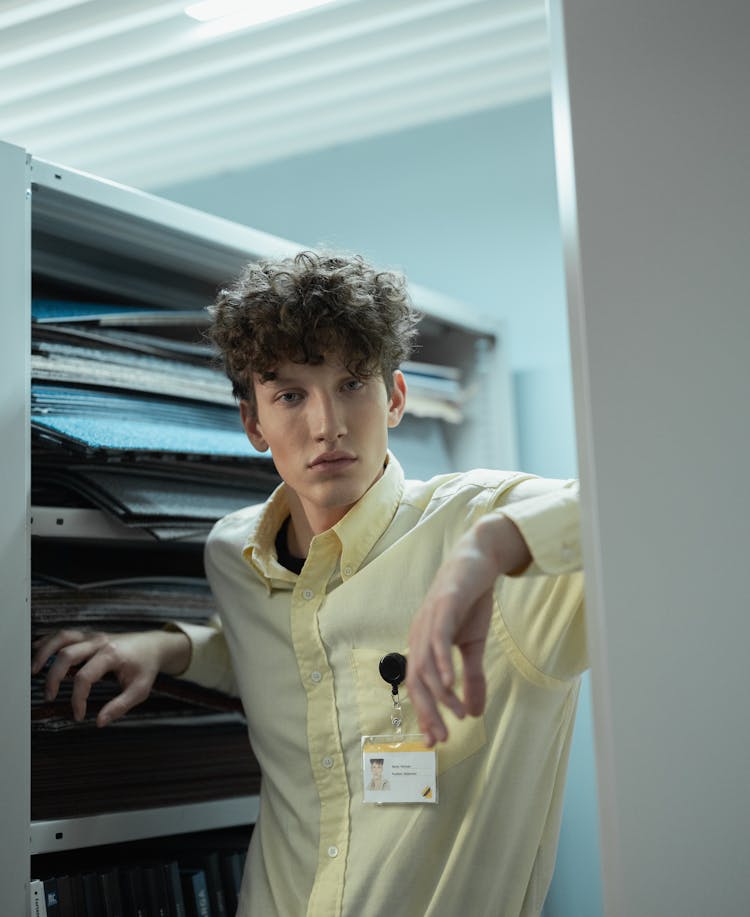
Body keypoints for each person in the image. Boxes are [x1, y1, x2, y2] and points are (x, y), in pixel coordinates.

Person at [32, 250, 585, 917]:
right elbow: (294, 656)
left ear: (397, 395)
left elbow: (665, 499)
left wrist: (492, 548)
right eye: (290, 394)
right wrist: (171, 646)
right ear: (252, 422)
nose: (327, 424)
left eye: (353, 383)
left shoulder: (485, 522)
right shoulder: (235, 554)